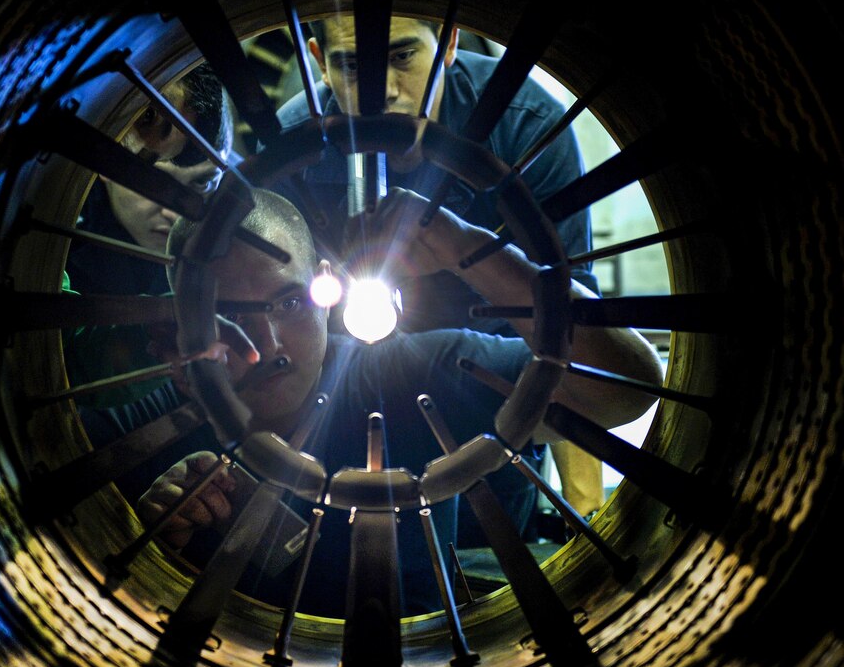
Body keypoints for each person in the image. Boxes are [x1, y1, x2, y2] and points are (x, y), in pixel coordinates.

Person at [92, 185, 661, 617]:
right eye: (229, 317)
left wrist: (471, 250)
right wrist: (143, 550)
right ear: (177, 330)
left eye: (288, 305)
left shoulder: (405, 375)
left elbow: (623, 390)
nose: (265, 346)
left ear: (326, 287)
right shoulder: (149, 431)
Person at [272, 15, 606, 539]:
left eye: (403, 56)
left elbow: (570, 331)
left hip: (498, 402)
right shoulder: (294, 146)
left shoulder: (524, 128)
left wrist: (587, 516)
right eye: (353, 65)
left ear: (448, 43)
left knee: (489, 547)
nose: (381, 93)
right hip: (345, 413)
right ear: (317, 59)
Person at [62, 62, 238, 407]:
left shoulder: (243, 219)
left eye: (200, 183)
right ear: (106, 168)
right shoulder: (55, 243)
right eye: (152, 182)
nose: (174, 212)